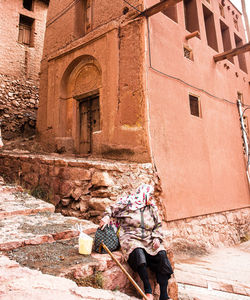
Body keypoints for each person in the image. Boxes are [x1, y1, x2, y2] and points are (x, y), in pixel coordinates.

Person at [99, 184, 173, 300]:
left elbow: (158, 226)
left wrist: (157, 238)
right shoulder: (128, 204)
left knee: (162, 255)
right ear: (143, 195)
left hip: (148, 239)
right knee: (137, 252)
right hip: (131, 237)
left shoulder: (152, 208)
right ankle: (148, 291)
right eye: (150, 195)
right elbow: (111, 209)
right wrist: (106, 217)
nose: (151, 198)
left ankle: (164, 295)